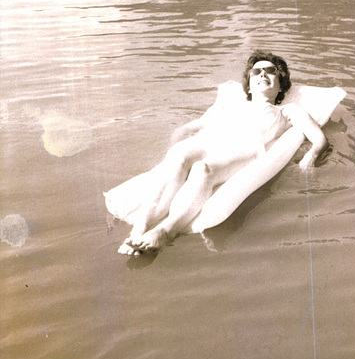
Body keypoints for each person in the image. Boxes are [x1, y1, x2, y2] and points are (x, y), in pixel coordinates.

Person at [118, 51, 328, 255]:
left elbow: (319, 139)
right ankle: (140, 228)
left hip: (245, 148)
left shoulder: (287, 111)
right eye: (257, 72)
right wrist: (175, 141)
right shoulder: (234, 105)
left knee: (203, 169)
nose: (262, 74)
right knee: (179, 156)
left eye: (270, 71)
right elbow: (192, 126)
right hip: (212, 140)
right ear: (249, 83)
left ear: (281, 84)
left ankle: (166, 231)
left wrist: (311, 156)